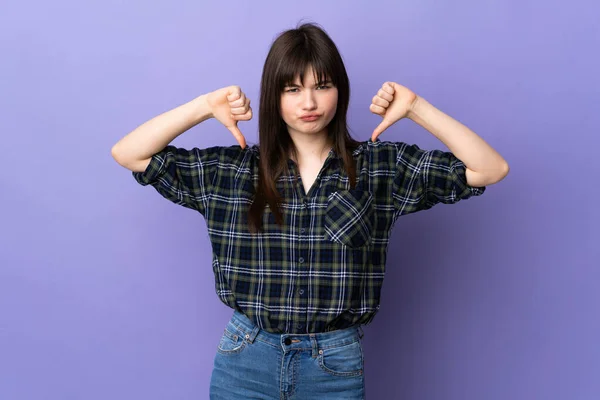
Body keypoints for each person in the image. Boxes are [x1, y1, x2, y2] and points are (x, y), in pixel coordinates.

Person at [111, 22, 509, 400]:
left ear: (341, 90)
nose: (309, 103)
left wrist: (416, 107)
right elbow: (129, 153)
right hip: (245, 359)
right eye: (292, 89)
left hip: (334, 364)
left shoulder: (380, 168)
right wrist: (203, 106)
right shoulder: (230, 172)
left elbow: (490, 168)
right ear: (274, 96)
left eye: (323, 86)